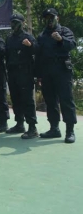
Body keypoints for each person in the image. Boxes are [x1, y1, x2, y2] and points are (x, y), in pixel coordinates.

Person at [36, 8, 77, 143]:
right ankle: (54, 128)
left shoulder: (64, 31)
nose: (49, 20)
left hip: (62, 70)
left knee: (66, 100)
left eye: (51, 17)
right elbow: (39, 56)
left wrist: (61, 39)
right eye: (47, 18)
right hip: (47, 72)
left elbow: (72, 44)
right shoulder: (42, 35)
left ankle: (70, 131)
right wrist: (38, 75)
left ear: (57, 18)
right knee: (50, 101)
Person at [5, 12, 39, 139]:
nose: (14, 25)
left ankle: (32, 127)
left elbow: (37, 50)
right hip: (12, 72)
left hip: (25, 72)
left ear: (22, 23)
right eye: (12, 22)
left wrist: (30, 46)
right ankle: (20, 124)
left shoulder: (28, 37)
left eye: (16, 22)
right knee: (16, 99)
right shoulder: (9, 38)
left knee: (27, 100)